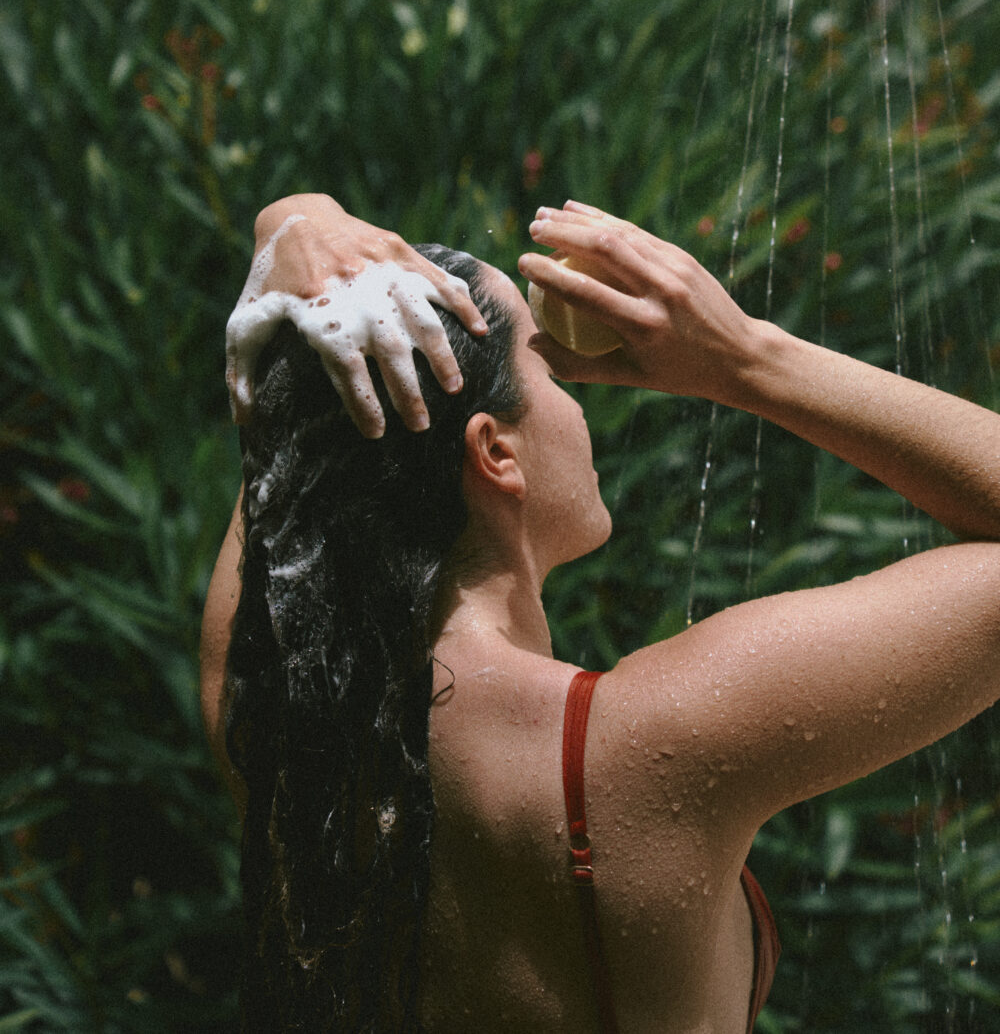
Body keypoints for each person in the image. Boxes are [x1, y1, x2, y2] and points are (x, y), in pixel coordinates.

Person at [201, 192, 1000, 1034]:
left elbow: (288, 454)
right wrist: (744, 356)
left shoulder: (273, 721)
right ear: (494, 452)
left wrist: (291, 223)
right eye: (555, 375)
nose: (584, 404)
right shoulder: (650, 743)